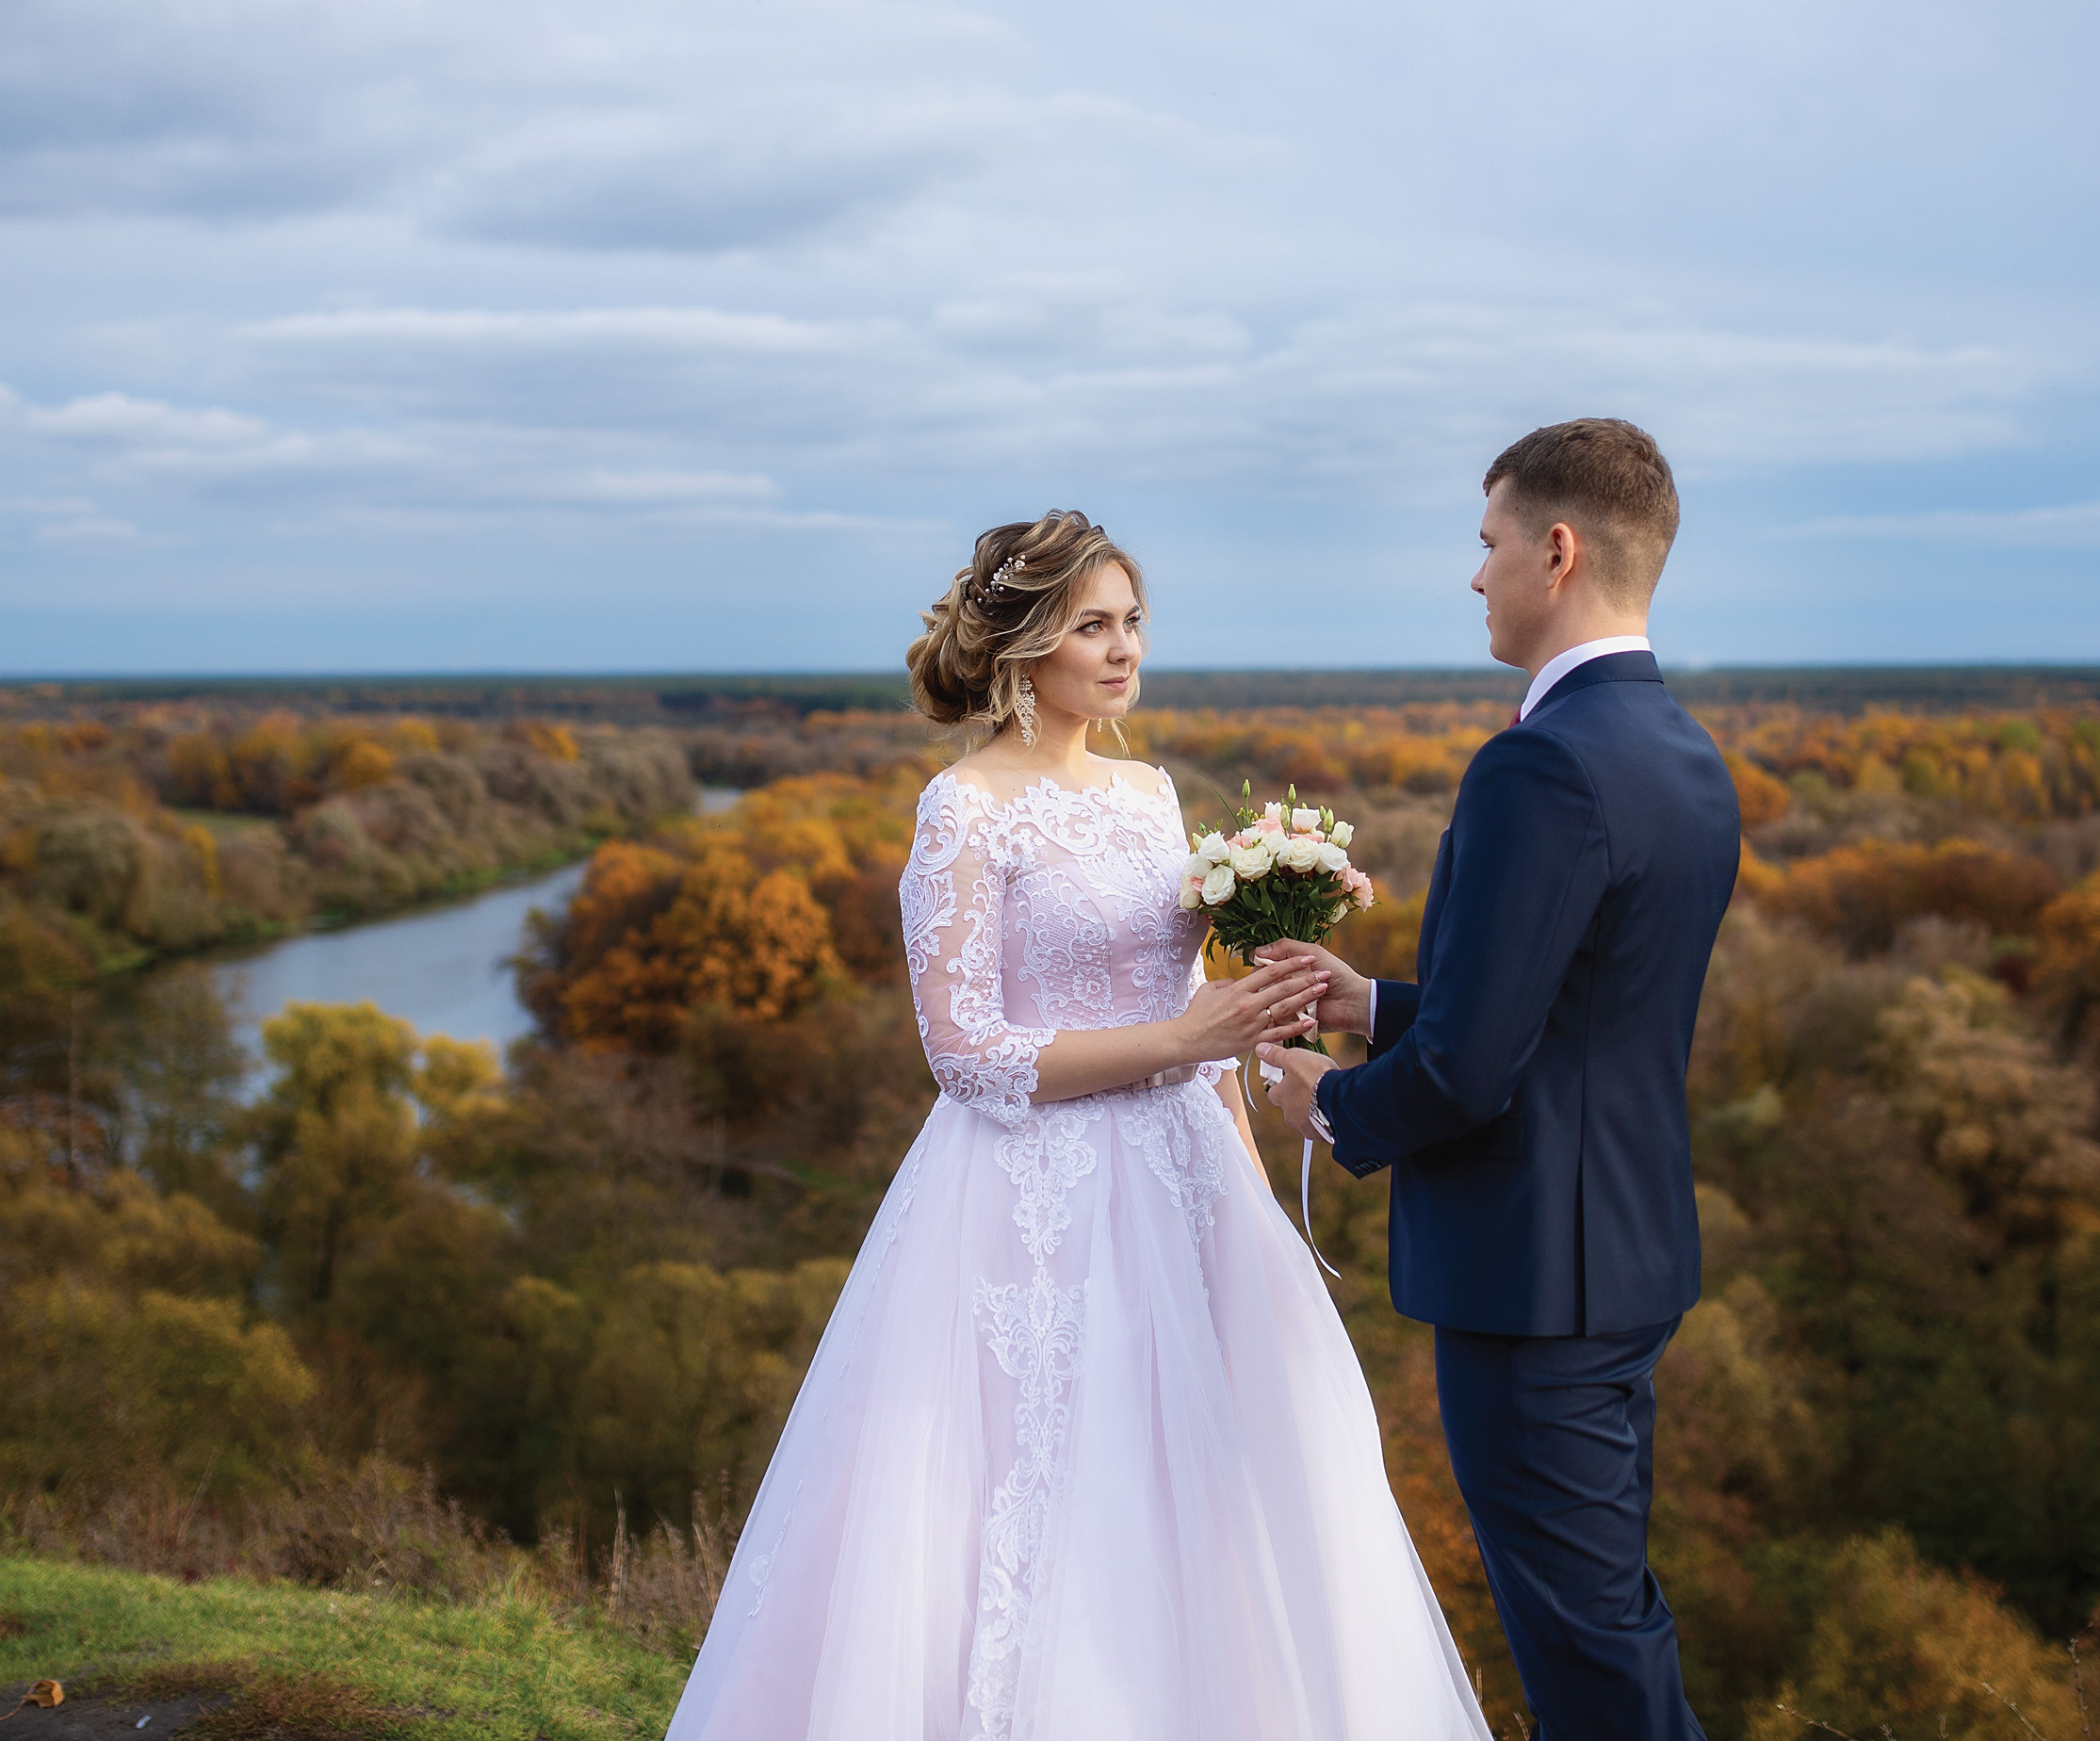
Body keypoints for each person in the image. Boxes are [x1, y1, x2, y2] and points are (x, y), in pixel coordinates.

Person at [665, 510, 1490, 1740]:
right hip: (1026, 1196)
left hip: (1191, 1178)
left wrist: (1252, 1195)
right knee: (1040, 1492)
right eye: (1091, 625)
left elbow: (1190, 1008)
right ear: (1021, 646)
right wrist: (1184, 1042)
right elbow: (965, 1054)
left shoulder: (1150, 794)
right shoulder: (963, 809)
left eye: (1132, 623)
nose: (1123, 650)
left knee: (1230, 1485)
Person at [1260, 420, 1741, 1741]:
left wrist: (1334, 1105)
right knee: (1609, 1630)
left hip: (1535, 1289)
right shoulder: (1684, 756)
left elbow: (1475, 1071)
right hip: (1624, 1265)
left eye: (1487, 546)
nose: (1476, 578)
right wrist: (1372, 1004)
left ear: (1559, 547)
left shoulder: (1541, 762)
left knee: (1592, 1668)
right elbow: (1576, 1018)